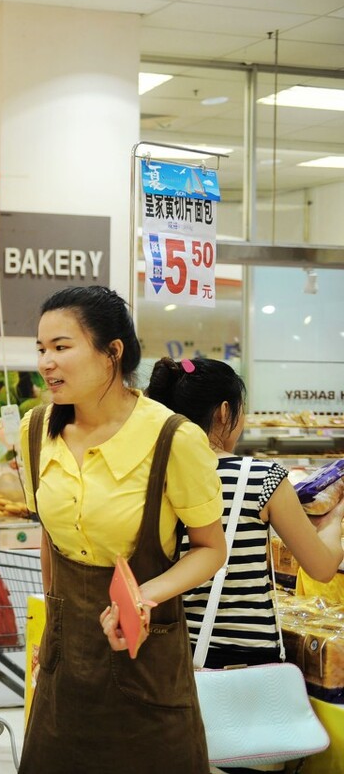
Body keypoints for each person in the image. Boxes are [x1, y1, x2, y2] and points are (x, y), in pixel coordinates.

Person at [19, 286, 227, 774]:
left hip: (146, 655)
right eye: (42, 349)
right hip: (65, 656)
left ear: (113, 351)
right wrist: (51, 628)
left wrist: (143, 597)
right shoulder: (33, 430)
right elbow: (49, 537)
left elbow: (210, 548)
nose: (47, 362)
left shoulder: (173, 437)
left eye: (62, 347)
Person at [147, 357, 343, 676]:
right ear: (224, 412)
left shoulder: (151, 478)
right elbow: (322, 567)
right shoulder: (260, 477)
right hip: (243, 659)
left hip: (167, 647)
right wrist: (333, 518)